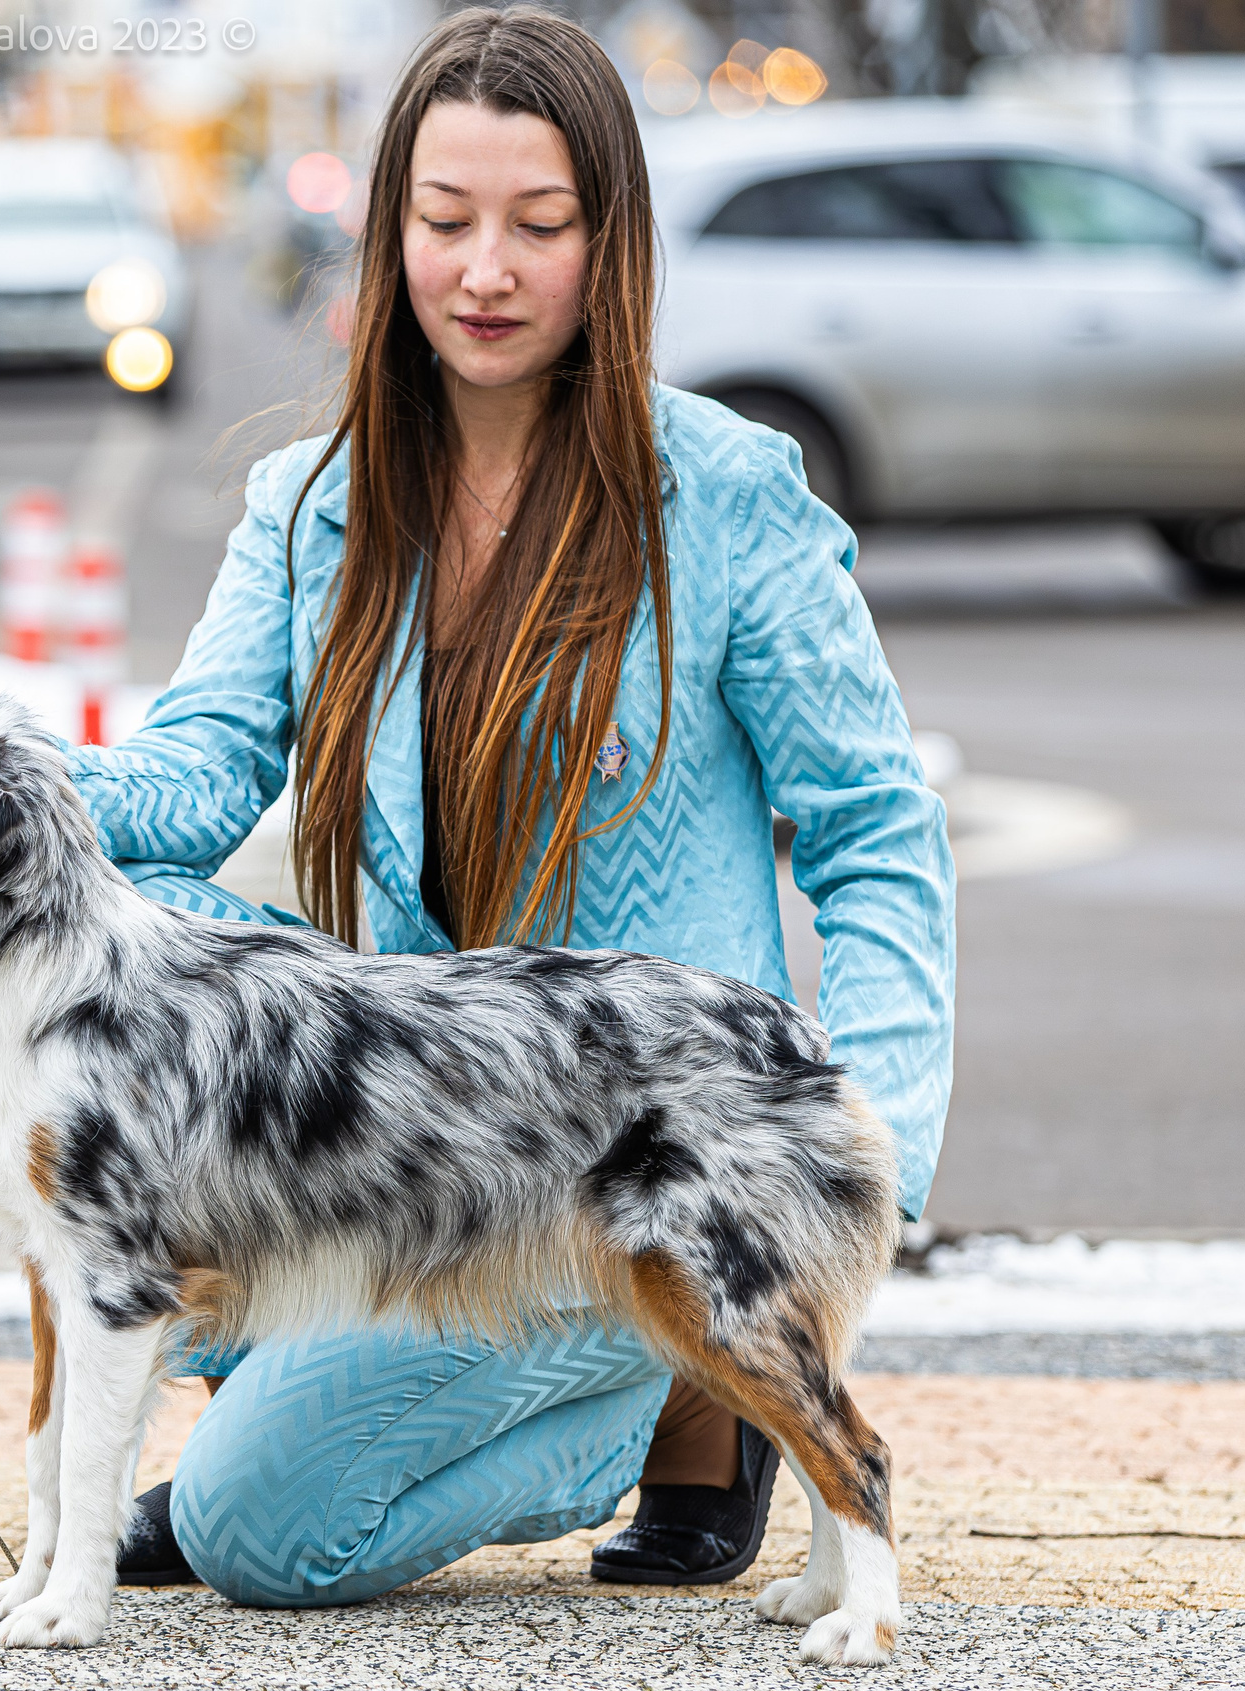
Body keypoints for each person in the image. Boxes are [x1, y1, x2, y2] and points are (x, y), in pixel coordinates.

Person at [66, 5, 954, 1606]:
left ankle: (700, 1384)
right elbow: (194, 773)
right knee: (166, 977)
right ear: (387, 228)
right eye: (443, 221)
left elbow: (874, 841)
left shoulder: (730, 495)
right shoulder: (313, 503)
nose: (483, 272)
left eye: (537, 226)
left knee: (263, 1536)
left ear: (606, 240)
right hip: (422, 1143)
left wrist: (861, 1171)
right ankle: (368, 1407)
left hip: (637, 1157)